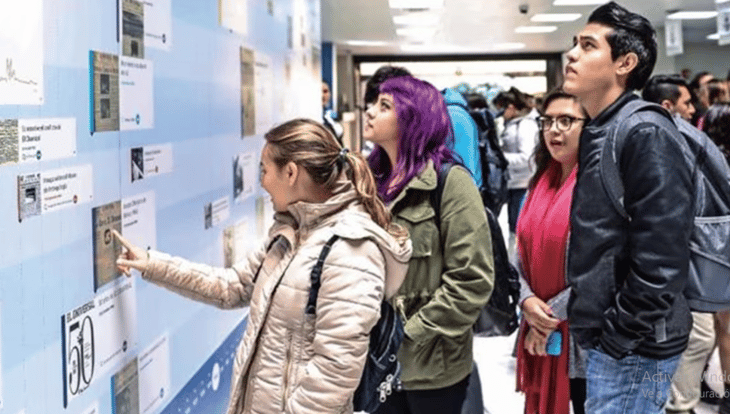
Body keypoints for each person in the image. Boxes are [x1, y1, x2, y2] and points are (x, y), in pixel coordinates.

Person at [114, 118, 413, 414]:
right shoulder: (290, 233)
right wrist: (152, 263)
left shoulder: (352, 250)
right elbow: (231, 287)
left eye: (265, 170)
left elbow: (333, 375)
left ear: (291, 172)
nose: (262, 182)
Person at [563, 2, 694, 413]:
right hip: (615, 337)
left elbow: (663, 255)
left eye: (587, 46)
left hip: (637, 344)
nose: (572, 54)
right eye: (575, 44)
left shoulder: (644, 131)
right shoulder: (604, 126)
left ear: (625, 62)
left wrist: (619, 335)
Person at [365, 75, 494, 414]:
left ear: (412, 118)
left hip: (433, 366)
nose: (368, 112)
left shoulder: (450, 182)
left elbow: (472, 280)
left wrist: (409, 333)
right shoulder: (367, 183)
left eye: (383, 106)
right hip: (376, 363)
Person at [516, 90, 588, 414]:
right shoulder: (539, 183)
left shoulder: (596, 185)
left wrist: (546, 317)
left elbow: (602, 269)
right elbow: (516, 254)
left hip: (583, 334)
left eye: (567, 121)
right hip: (538, 319)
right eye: (547, 121)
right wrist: (527, 301)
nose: (554, 130)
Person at [493, 87, 539, 239]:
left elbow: (527, 157)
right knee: (513, 227)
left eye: (501, 110)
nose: (500, 114)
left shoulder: (525, 126)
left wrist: (500, 158)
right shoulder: (513, 124)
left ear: (511, 107)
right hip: (515, 183)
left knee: (520, 230)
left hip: (523, 184)